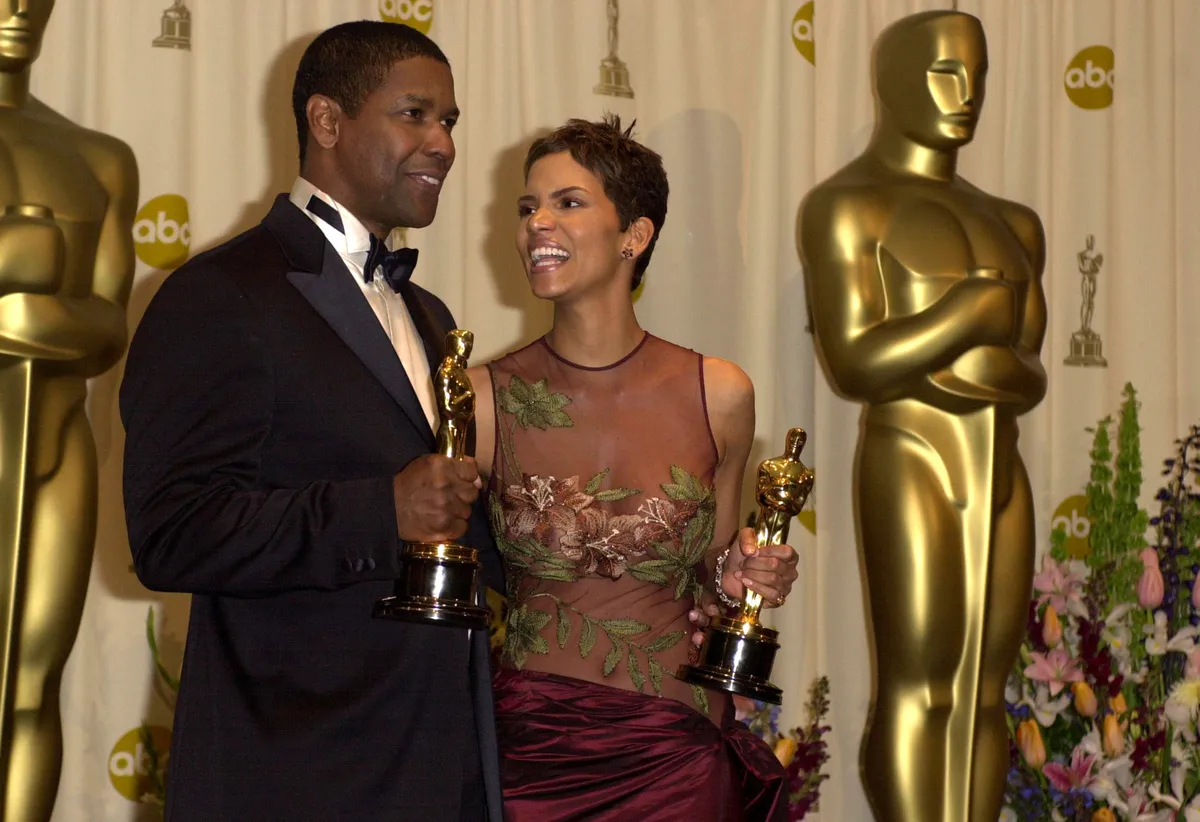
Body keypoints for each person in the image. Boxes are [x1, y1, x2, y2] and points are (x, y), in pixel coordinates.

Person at [120, 21, 504, 821]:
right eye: (414, 114)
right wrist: (380, 511)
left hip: (438, 766)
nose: (442, 144)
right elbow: (172, 532)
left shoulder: (431, 315)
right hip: (299, 773)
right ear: (327, 121)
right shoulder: (219, 294)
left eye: (449, 121)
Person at [467, 116, 800, 821]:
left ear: (635, 235)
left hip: (676, 762)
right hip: (529, 761)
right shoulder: (481, 400)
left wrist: (744, 574)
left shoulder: (720, 394)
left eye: (568, 202)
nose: (537, 223)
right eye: (528, 207)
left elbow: (712, 570)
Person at [796, 10, 1047, 822]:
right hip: (911, 453)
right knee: (919, 683)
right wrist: (968, 314)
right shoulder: (847, 207)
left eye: (977, 75)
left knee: (984, 689)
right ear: (894, 80)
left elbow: (1029, 374)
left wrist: (946, 354)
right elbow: (854, 362)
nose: (965, 94)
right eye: (945, 73)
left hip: (1001, 466)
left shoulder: (1015, 222)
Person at [0, 1, 138, 818]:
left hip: (54, 448)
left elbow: (105, 327)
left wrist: (25, 312)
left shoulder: (98, 159)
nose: (18, 7)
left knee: (29, 686)